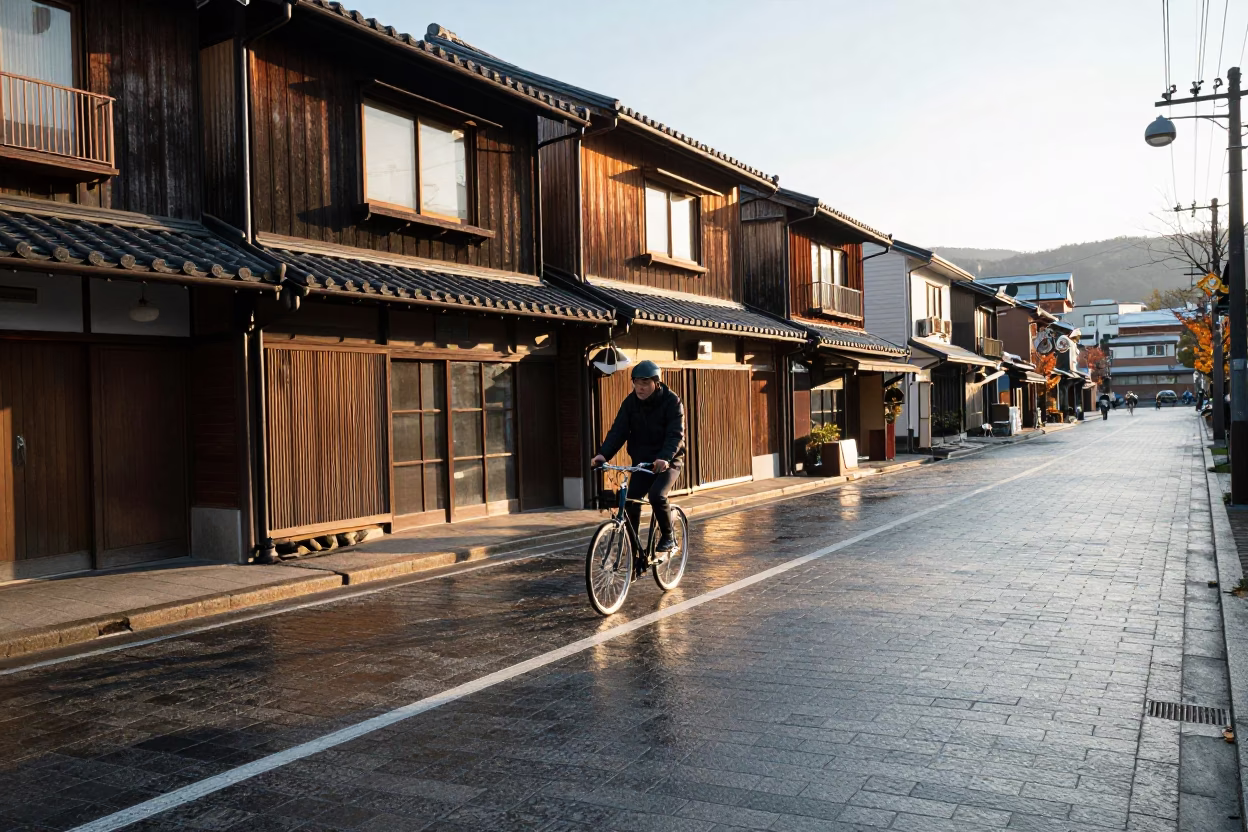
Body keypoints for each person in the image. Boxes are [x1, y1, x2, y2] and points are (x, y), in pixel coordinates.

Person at [591, 360, 685, 556]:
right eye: (636, 383)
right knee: (629, 502)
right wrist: (602, 454)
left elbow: (675, 435)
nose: (640, 388)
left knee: (656, 495)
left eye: (645, 384)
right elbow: (618, 431)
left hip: (668, 462)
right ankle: (634, 557)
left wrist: (665, 458)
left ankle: (668, 536)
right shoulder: (630, 403)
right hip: (642, 462)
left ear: (656, 383)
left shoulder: (671, 401)